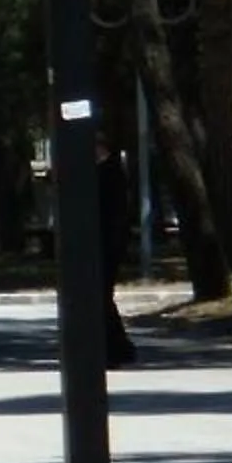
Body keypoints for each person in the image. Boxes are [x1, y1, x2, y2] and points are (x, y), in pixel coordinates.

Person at [93, 133, 137, 367]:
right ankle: (118, 347)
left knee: (101, 296)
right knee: (102, 297)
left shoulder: (107, 172)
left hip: (108, 243)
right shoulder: (109, 170)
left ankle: (117, 348)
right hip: (109, 242)